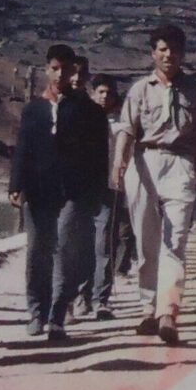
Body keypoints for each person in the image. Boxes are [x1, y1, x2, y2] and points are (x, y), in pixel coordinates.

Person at [9, 44, 108, 342]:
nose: (60, 74)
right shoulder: (34, 109)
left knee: (65, 250)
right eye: (54, 68)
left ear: (73, 71)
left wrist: (95, 193)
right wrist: (16, 184)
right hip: (39, 191)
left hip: (72, 191)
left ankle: (57, 315)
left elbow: (99, 156)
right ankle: (36, 311)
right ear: (46, 69)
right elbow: (22, 149)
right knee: (38, 250)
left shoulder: (89, 112)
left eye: (66, 69)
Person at [115, 25, 196, 345]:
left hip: (179, 163)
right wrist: (119, 164)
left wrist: (195, 169)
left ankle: (168, 310)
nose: (169, 55)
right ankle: (147, 307)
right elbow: (126, 128)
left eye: (175, 50)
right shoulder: (140, 90)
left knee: (175, 239)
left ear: (183, 54)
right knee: (146, 240)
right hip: (144, 162)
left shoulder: (194, 91)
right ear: (153, 53)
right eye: (163, 49)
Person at [77, 73, 123, 320]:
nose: (104, 97)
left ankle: (101, 299)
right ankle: (81, 296)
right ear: (93, 93)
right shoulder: (82, 119)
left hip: (110, 187)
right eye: (100, 92)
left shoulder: (121, 123)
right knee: (82, 243)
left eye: (109, 93)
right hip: (85, 188)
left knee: (105, 243)